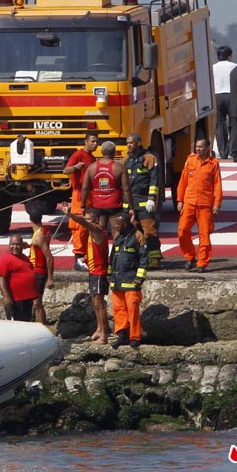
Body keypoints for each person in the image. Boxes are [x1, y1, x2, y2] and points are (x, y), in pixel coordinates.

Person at [64, 206, 111, 344]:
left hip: (99, 272)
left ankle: (104, 334)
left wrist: (70, 215)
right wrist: (86, 257)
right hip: (93, 270)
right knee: (95, 303)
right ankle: (99, 328)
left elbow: (84, 223)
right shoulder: (92, 234)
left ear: (96, 220)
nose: (86, 222)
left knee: (99, 303)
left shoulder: (97, 230)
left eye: (89, 219)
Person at [176, 138, 223, 273]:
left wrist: (217, 203)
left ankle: (202, 262)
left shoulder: (213, 163)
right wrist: (179, 200)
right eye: (196, 146)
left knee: (204, 235)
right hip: (189, 202)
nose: (198, 149)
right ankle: (189, 257)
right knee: (182, 230)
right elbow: (183, 181)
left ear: (208, 148)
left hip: (205, 204)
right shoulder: (190, 160)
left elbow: (218, 184)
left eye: (201, 147)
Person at [107, 212, 149, 349]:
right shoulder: (118, 237)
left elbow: (144, 259)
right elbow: (113, 257)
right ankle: (122, 335)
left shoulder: (138, 236)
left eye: (118, 224)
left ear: (125, 224)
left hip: (131, 281)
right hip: (117, 281)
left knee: (132, 310)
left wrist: (139, 278)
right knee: (118, 310)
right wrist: (109, 273)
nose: (115, 226)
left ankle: (135, 337)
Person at [124, 132, 162, 268]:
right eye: (127, 143)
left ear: (138, 143)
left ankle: (154, 258)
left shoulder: (149, 158)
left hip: (144, 201)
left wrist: (152, 198)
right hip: (130, 203)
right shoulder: (126, 160)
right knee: (133, 232)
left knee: (149, 230)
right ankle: (137, 258)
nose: (129, 145)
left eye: (131, 143)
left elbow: (154, 180)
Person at [63, 132, 99, 271]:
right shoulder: (78, 155)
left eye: (97, 142)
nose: (95, 144)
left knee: (89, 225)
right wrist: (75, 167)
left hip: (90, 195)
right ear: (86, 141)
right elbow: (66, 170)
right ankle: (78, 258)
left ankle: (86, 256)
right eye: (93, 141)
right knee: (79, 227)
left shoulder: (93, 158)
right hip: (79, 195)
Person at [81, 141, 134, 231]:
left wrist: (83, 206)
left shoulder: (91, 167)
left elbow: (85, 188)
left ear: (101, 152)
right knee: (116, 230)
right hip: (114, 205)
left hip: (97, 205)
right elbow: (126, 189)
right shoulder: (120, 168)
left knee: (99, 231)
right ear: (114, 152)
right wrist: (131, 207)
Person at [0, 234, 39, 322]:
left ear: (22, 246)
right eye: (13, 244)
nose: (15, 247)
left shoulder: (24, 257)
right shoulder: (5, 259)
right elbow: (1, 278)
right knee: (17, 324)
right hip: (16, 300)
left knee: (27, 323)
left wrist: (35, 296)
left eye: (18, 244)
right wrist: (6, 296)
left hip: (28, 299)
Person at [27, 210, 55, 325]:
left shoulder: (39, 236)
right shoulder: (44, 231)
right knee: (36, 302)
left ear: (30, 220)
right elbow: (38, 248)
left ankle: (42, 325)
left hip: (39, 272)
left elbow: (49, 257)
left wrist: (50, 278)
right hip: (36, 270)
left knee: (37, 303)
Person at [213, 45, 237, 159]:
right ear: (229, 56)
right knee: (234, 123)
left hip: (217, 96)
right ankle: (231, 147)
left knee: (219, 125)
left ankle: (223, 151)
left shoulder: (213, 67)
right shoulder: (235, 66)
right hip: (232, 96)